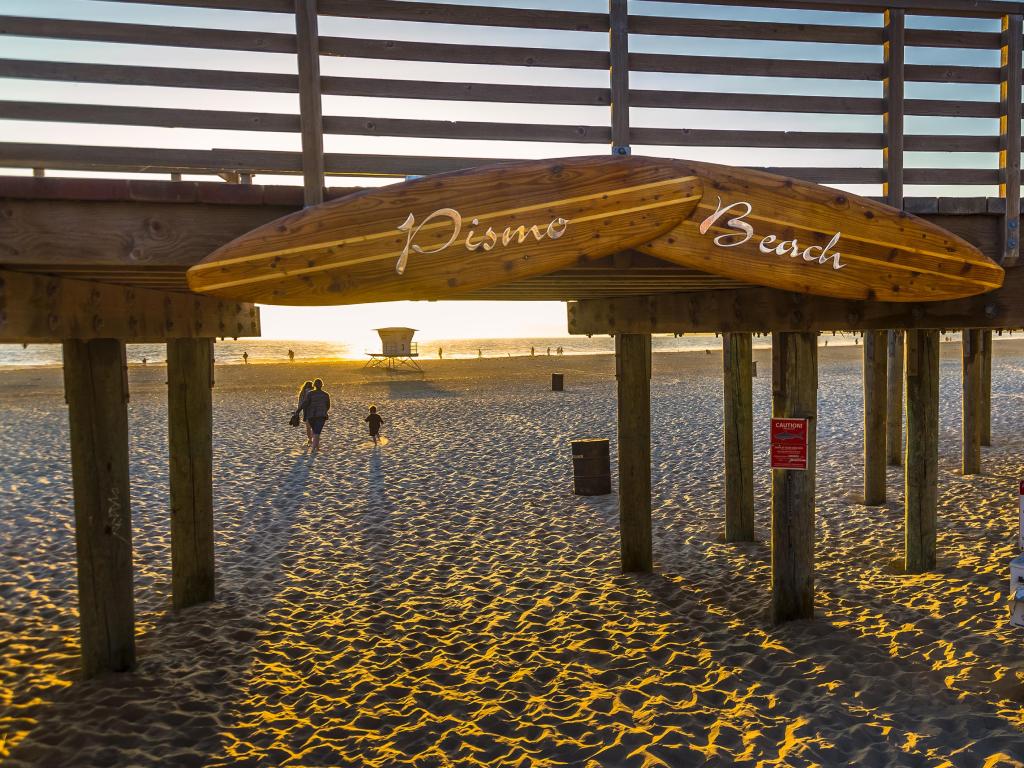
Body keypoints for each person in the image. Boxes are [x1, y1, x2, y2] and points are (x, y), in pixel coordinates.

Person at [299, 378, 331, 453]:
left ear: (314, 385)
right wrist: (324, 411)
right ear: (322, 385)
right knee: (317, 432)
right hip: (321, 415)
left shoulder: (310, 394)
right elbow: (328, 406)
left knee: (315, 431)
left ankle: (317, 446)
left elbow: (304, 403)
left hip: (311, 415)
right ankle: (313, 448)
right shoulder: (326, 395)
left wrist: (298, 411)